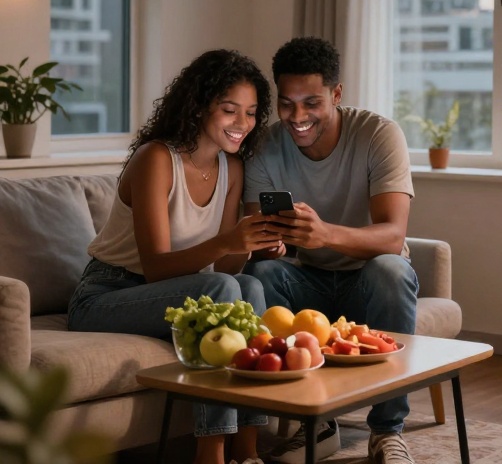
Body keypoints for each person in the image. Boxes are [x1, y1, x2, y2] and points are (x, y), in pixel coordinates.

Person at [68, 50, 279, 464]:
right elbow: (156, 267)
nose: (243, 123)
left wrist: (250, 244)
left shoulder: (231, 168)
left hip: (178, 292)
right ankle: (211, 452)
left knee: (250, 283)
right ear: (199, 107)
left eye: (252, 113)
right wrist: (226, 243)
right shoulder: (156, 159)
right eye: (229, 110)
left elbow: (225, 268)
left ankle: (248, 450)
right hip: (106, 294)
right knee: (219, 290)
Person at [243, 36, 418, 464]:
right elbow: (261, 248)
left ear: (336, 94)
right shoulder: (265, 148)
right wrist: (273, 245)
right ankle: (316, 420)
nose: (297, 117)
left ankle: (387, 431)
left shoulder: (378, 135)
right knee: (261, 277)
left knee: (391, 270)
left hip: (368, 280)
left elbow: (392, 236)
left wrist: (325, 235)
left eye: (311, 102)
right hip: (308, 279)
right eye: (287, 104)